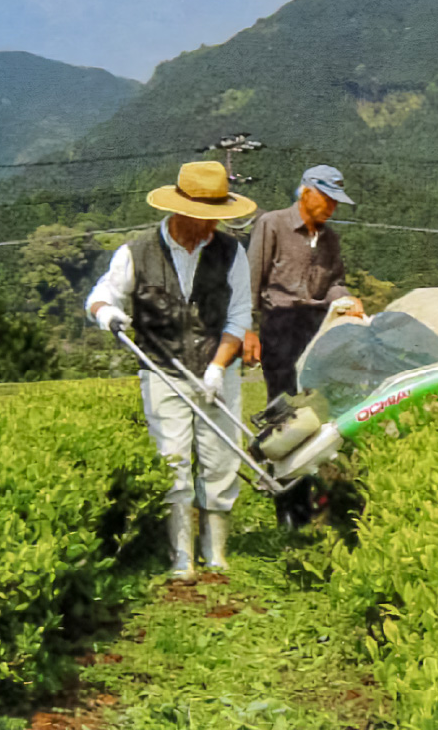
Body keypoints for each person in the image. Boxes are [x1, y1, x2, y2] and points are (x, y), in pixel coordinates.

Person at [86, 160, 256, 580]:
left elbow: (239, 317)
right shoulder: (136, 252)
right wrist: (107, 312)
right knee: (173, 460)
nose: (210, 228)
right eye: (205, 219)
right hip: (161, 369)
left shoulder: (232, 252)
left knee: (219, 460)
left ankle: (215, 552)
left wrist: (218, 367)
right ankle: (180, 557)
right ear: (181, 212)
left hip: (217, 369)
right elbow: (100, 294)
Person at [245, 164, 363, 403]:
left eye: (335, 202)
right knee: (283, 400)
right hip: (280, 325)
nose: (332, 208)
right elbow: (251, 278)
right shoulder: (272, 224)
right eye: (328, 200)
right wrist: (246, 329)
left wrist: (346, 298)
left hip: (317, 326)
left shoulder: (330, 239)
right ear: (306, 193)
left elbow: (334, 282)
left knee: (318, 398)